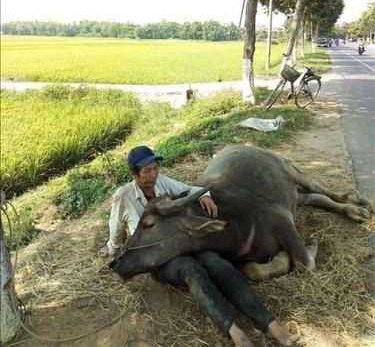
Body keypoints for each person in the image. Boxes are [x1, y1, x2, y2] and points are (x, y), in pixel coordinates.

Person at [102, 145, 299, 347]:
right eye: (146, 171)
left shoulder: (161, 182)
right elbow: (116, 229)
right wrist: (113, 251)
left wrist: (204, 195)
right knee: (191, 271)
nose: (153, 175)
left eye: (155, 168)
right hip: (158, 258)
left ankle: (270, 325)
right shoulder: (123, 196)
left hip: (179, 244)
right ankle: (234, 332)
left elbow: (190, 190)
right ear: (134, 174)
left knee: (218, 264)